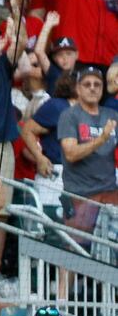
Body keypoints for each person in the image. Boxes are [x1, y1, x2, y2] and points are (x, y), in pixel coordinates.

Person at [57, 65, 118, 236]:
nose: (92, 88)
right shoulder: (69, 115)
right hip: (80, 196)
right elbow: (71, 153)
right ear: (78, 88)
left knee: (110, 256)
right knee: (76, 255)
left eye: (97, 84)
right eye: (87, 84)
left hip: (110, 195)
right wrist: (101, 139)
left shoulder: (112, 115)